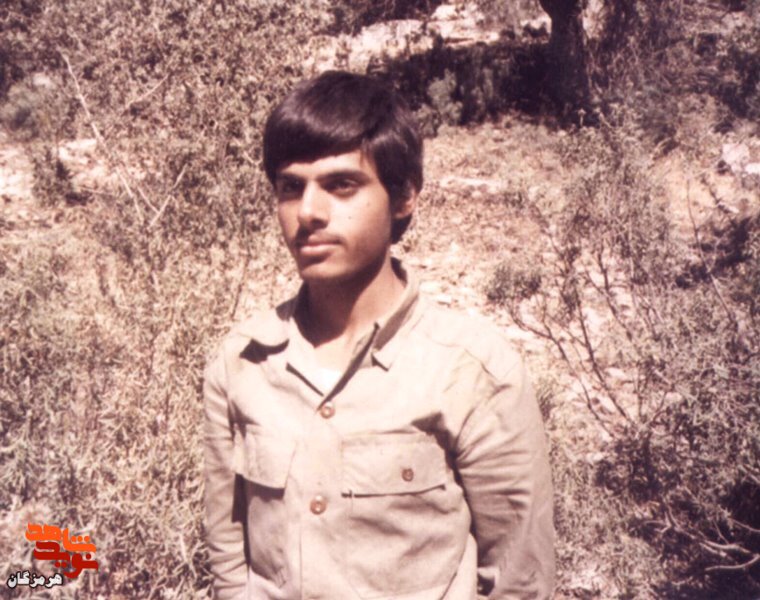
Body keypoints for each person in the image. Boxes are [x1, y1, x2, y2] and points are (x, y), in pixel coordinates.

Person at [203, 70, 555, 600]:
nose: (308, 213)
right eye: (290, 187)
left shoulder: (472, 371)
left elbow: (519, 579)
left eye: (341, 185)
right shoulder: (242, 363)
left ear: (403, 196)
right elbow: (229, 562)